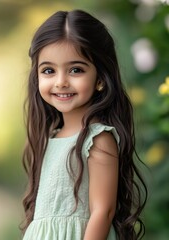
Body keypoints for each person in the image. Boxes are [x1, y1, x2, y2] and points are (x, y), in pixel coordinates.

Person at [21, 9, 147, 240]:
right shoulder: (51, 137)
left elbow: (103, 211)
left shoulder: (97, 138)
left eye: (76, 70)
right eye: (48, 70)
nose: (61, 82)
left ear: (100, 79)